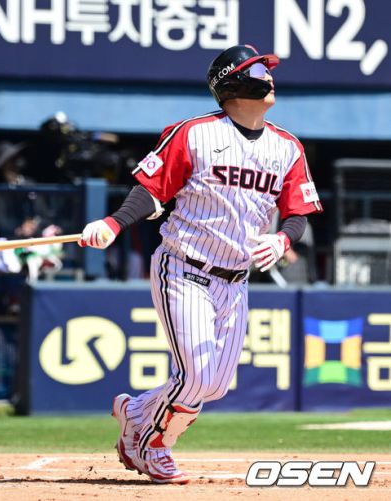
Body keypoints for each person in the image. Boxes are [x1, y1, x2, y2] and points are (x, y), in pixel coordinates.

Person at [78, 44, 323, 484]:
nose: (269, 78)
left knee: (215, 385)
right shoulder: (194, 133)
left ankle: (135, 411)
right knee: (195, 378)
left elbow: (298, 212)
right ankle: (152, 445)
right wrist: (113, 224)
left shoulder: (287, 146)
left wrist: (282, 237)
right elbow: (152, 190)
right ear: (232, 83)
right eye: (258, 72)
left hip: (235, 281)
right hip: (184, 267)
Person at [0, 141, 58, 239]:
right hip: (11, 240)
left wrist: (34, 224)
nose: (13, 165)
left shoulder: (31, 185)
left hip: (36, 238)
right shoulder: (0, 192)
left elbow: (44, 214)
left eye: (15, 160)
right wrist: (21, 228)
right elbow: (2, 222)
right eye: (8, 163)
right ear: (2, 167)